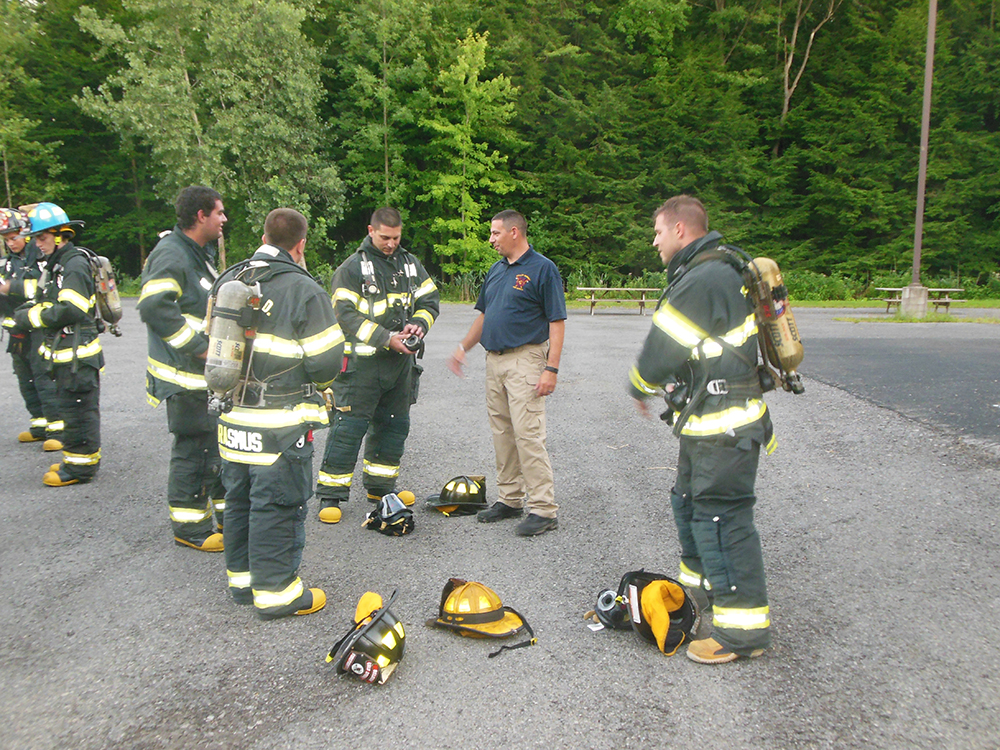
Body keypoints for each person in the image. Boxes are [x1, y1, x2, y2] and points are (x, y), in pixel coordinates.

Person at [627, 195, 775, 664]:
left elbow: (659, 353)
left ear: (680, 231)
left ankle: (741, 634)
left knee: (722, 517)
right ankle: (699, 593)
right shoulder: (714, 269)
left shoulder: (704, 277)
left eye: (657, 232)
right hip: (709, 421)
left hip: (724, 427)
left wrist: (637, 386)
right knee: (688, 502)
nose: (654, 241)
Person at [214, 208, 344, 619]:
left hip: (233, 418)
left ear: (264, 235)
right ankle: (277, 594)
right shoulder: (304, 289)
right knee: (278, 504)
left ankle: (242, 583)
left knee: (238, 500)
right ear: (300, 244)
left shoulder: (231, 279)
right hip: (279, 424)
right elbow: (326, 364)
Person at [315, 208, 439, 524]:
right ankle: (331, 495)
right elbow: (344, 313)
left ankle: (381, 488)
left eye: (396, 238)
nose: (390, 244)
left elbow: (430, 301)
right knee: (349, 427)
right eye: (385, 237)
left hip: (400, 364)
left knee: (394, 424)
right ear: (371, 230)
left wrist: (417, 327)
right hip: (361, 366)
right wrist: (386, 338)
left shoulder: (410, 264)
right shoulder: (351, 268)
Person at [447, 209, 565, 537]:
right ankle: (510, 499)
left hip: (526, 359)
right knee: (502, 433)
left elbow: (557, 322)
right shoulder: (496, 270)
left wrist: (551, 368)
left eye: (495, 233)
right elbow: (485, 316)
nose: (491, 239)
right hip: (494, 361)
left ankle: (543, 509)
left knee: (528, 435)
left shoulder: (543, 269)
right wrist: (462, 348)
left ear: (515, 232)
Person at [137, 186, 227, 553]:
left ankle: (226, 516)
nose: (224, 219)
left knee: (212, 447)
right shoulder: (171, 254)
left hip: (201, 377)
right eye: (219, 213)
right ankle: (189, 528)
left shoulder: (197, 253)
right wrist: (200, 347)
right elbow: (155, 307)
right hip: (183, 375)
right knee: (193, 449)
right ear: (200, 215)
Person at [13, 203, 102, 486]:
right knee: (70, 409)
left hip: (78, 355)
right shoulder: (59, 264)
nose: (36, 244)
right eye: (35, 239)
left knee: (79, 411)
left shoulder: (73, 264)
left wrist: (31, 317)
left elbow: (72, 309)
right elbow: (49, 300)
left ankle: (80, 468)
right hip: (66, 354)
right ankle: (74, 458)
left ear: (61, 235)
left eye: (42, 238)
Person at [1, 208, 62, 448]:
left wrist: (9, 287)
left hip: (38, 327)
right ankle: (39, 423)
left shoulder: (41, 258)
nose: (10, 243)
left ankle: (58, 429)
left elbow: (39, 289)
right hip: (16, 332)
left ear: (26, 235)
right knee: (24, 377)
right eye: (6, 239)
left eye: (14, 237)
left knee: (43, 375)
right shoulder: (8, 262)